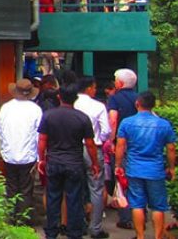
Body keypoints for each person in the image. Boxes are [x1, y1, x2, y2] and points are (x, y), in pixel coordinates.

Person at [38, 84, 100, 239]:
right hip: (74, 162)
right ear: (76, 99)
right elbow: (90, 144)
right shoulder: (82, 117)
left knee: (53, 198)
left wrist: (41, 159)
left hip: (54, 160)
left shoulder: (48, 115)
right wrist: (94, 163)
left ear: (59, 97)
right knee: (74, 199)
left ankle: (51, 232)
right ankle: (74, 233)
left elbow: (42, 140)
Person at [115, 91, 177, 239]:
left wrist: (118, 165)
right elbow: (171, 148)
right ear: (153, 106)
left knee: (136, 204)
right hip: (155, 170)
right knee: (158, 206)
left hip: (134, 169)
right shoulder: (163, 124)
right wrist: (172, 168)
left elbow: (120, 145)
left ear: (137, 104)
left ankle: (140, 236)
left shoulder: (127, 122)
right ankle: (157, 236)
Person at [0, 78, 42, 226]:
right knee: (26, 190)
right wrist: (39, 156)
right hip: (28, 155)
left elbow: (1, 132)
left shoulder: (6, 108)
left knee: (11, 187)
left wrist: (3, 151)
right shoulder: (35, 109)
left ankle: (11, 217)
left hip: (9, 154)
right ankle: (23, 220)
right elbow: (38, 135)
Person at [74, 78, 112, 239]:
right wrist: (100, 139)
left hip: (74, 148)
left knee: (75, 187)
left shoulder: (73, 104)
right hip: (93, 148)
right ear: (89, 88)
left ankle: (78, 225)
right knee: (96, 188)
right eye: (94, 88)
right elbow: (106, 131)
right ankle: (95, 228)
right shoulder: (98, 106)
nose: (95, 90)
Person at [107, 68, 139, 230]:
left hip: (122, 144)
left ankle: (126, 217)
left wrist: (111, 140)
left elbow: (113, 119)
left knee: (122, 178)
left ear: (119, 83)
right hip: (138, 144)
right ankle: (140, 213)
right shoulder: (139, 98)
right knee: (137, 179)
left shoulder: (115, 98)